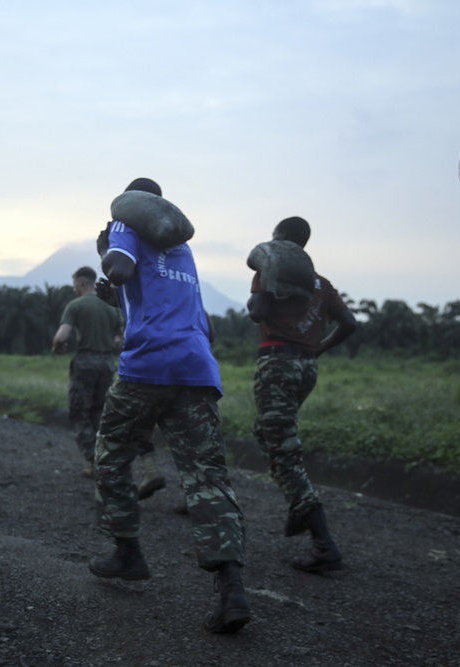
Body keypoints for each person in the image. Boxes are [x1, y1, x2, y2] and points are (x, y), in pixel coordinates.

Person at [89, 177, 249, 634]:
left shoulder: (124, 225)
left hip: (146, 369)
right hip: (196, 369)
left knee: (112, 452)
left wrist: (108, 249)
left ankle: (127, 551)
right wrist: (120, 297)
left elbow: (118, 268)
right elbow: (200, 325)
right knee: (206, 476)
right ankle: (231, 587)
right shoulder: (183, 250)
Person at [247, 216, 357, 574]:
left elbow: (256, 313)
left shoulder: (269, 272)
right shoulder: (321, 284)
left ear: (279, 238)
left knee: (284, 452)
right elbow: (350, 323)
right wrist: (318, 349)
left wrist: (260, 291)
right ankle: (298, 509)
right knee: (267, 434)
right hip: (306, 368)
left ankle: (324, 545)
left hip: (276, 365)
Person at [52, 267, 166, 497]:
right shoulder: (110, 306)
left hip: (84, 362)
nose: (74, 288)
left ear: (81, 283)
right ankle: (102, 458)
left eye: (75, 284)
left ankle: (95, 459)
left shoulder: (75, 306)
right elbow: (123, 336)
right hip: (107, 364)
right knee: (100, 412)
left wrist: (58, 346)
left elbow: (62, 336)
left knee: (79, 412)